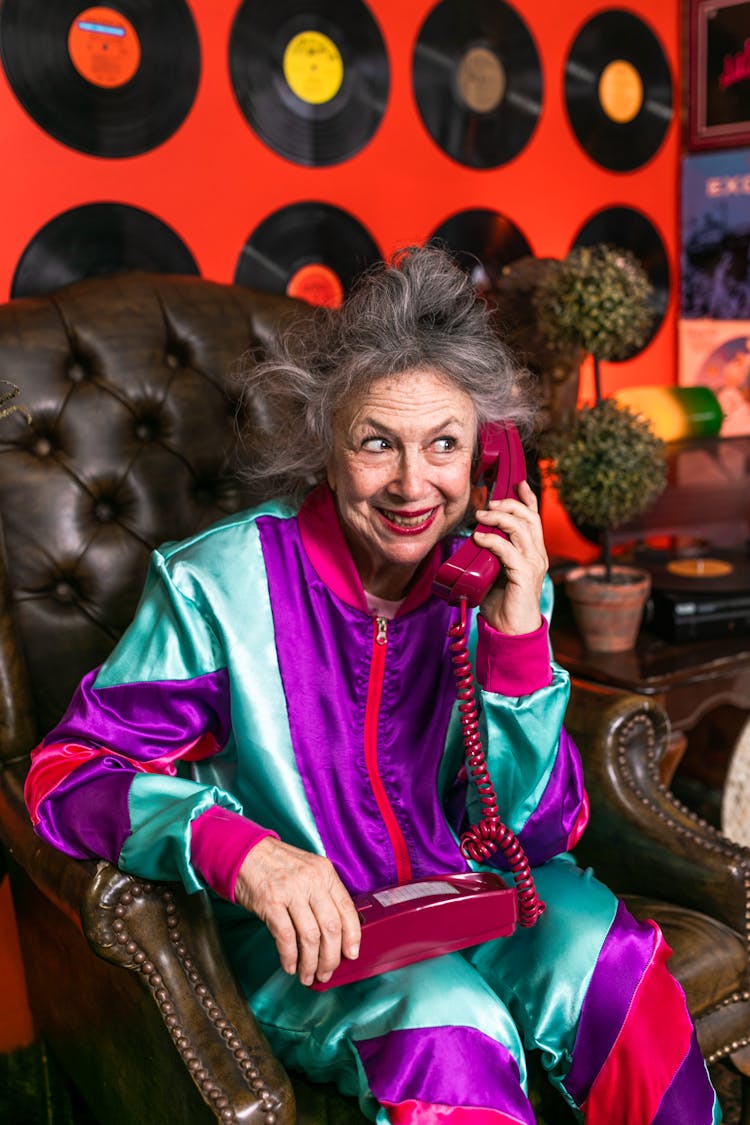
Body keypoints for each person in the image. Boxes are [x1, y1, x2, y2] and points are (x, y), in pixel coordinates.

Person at [25, 246, 720, 1123]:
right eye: (376, 442)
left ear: (489, 455)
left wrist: (516, 640)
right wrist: (242, 850)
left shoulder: (500, 580)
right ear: (327, 441)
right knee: (450, 1027)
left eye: (445, 445)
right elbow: (67, 773)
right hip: (312, 936)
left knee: (612, 965)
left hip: (470, 892)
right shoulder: (217, 589)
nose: (410, 483)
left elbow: (538, 832)